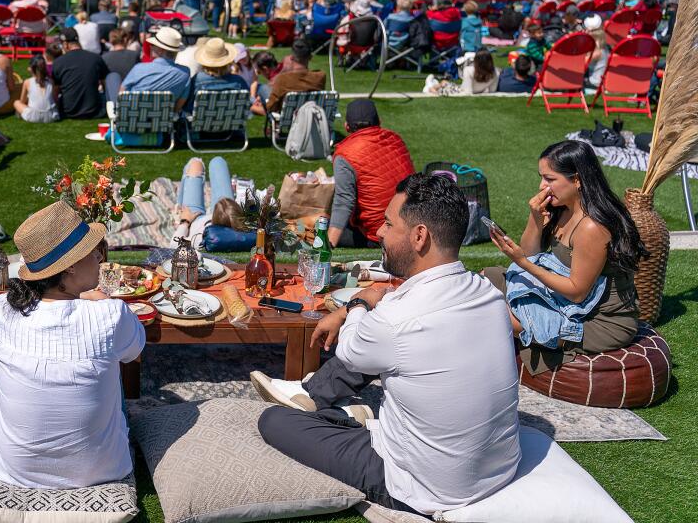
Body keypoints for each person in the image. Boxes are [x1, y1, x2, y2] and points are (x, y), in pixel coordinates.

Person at [251, 173, 520, 517]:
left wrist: (360, 304)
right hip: (499, 470)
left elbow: (348, 351)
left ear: (419, 236)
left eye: (388, 224)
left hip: (423, 487)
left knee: (275, 421)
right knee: (383, 353)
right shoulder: (490, 296)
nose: (378, 232)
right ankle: (335, 407)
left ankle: (328, 406)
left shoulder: (396, 319)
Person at [0, 201, 145, 488]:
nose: (100, 260)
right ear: (72, 268)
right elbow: (134, 350)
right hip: (98, 470)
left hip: (13, 469)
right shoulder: (110, 315)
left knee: (0, 353)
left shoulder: (1, 311)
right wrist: (100, 301)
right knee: (111, 367)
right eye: (95, 253)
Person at [484, 140, 644, 374]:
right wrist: (535, 218)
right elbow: (531, 252)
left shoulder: (592, 227)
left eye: (550, 179)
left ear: (577, 180)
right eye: (542, 177)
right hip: (566, 301)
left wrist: (523, 263)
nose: (542, 186)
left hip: (599, 318)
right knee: (484, 281)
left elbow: (577, 292)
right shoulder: (564, 209)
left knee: (497, 316)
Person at [329, 99, 414, 248]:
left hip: (379, 235)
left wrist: (328, 244)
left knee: (320, 225)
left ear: (346, 127)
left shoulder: (345, 153)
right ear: (379, 121)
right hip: (411, 225)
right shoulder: (395, 139)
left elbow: (344, 200)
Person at [115, 27, 189, 111]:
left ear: (161, 50)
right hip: (163, 121)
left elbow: (121, 95)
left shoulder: (139, 68)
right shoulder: (185, 73)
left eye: (153, 45)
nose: (151, 47)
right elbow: (177, 107)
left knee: (113, 78)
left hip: (133, 119)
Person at [52, 28, 109, 119]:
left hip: (69, 111)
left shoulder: (58, 62)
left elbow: (55, 92)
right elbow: (105, 85)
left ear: (65, 44)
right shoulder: (95, 58)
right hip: (94, 110)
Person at [264, 39, 326, 114]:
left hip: (290, 122)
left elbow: (271, 106)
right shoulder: (320, 77)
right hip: (312, 119)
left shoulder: (283, 79)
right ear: (310, 57)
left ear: (292, 58)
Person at [13, 55, 59, 123]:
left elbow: (22, 101)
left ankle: (19, 114)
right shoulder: (51, 81)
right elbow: (55, 100)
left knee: (16, 102)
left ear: (30, 68)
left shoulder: (27, 82)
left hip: (33, 117)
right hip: (51, 116)